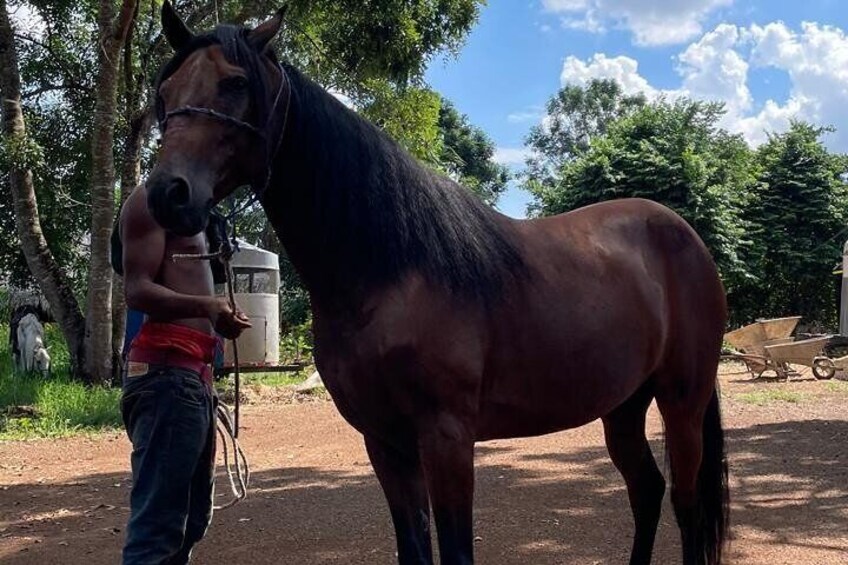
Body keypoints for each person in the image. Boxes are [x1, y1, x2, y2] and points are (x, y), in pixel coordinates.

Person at [117, 183, 250, 564]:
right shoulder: (150, 201)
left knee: (192, 520)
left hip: (190, 378)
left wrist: (215, 318)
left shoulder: (195, 211)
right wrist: (207, 306)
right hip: (166, 376)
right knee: (157, 529)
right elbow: (137, 289)